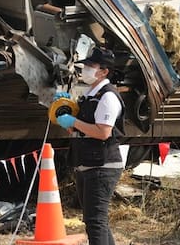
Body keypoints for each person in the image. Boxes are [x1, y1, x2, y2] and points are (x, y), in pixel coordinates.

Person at [55, 47, 125, 245]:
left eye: (90, 66)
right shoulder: (91, 95)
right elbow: (82, 129)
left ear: (104, 71)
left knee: (95, 222)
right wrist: (65, 116)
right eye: (85, 65)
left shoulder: (108, 97)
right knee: (95, 221)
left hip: (102, 165)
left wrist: (74, 122)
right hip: (87, 163)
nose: (85, 69)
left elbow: (103, 132)